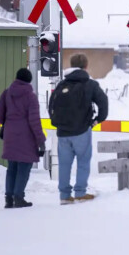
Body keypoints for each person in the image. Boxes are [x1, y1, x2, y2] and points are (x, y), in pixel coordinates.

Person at [48, 54, 108, 205]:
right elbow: (103, 102)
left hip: (62, 133)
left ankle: (64, 196)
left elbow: (51, 106)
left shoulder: (62, 85)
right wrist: (97, 120)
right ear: (86, 66)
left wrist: (58, 123)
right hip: (82, 130)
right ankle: (80, 193)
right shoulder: (90, 84)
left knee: (64, 164)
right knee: (83, 162)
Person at [0, 68, 46, 209]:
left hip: (10, 134)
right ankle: (18, 197)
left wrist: (9, 120)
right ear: (29, 80)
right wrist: (41, 140)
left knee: (12, 168)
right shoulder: (30, 96)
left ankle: (9, 199)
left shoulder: (7, 93)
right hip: (26, 137)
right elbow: (34, 121)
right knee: (24, 167)